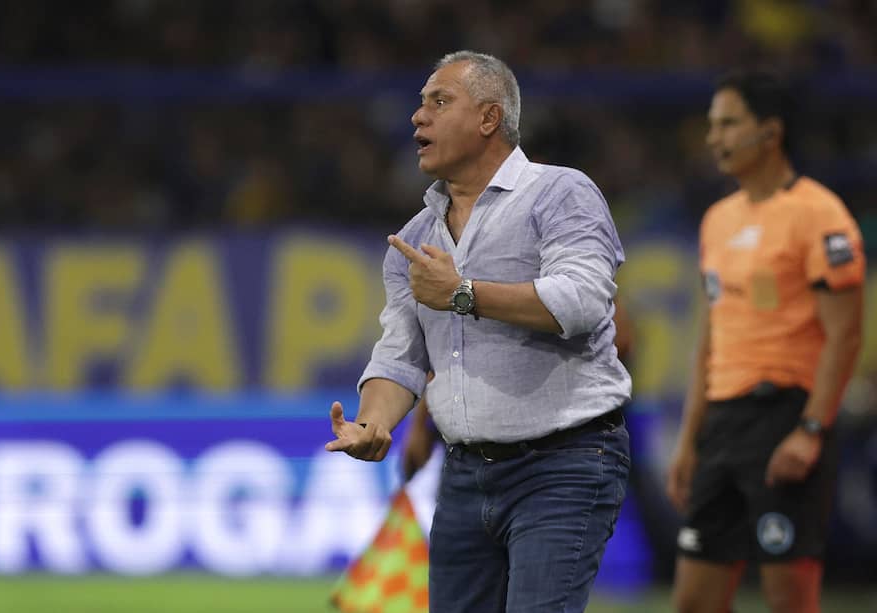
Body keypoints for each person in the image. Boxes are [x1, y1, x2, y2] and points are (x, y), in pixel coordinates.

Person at [324, 50, 631, 613]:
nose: (418, 117)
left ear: (490, 118)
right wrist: (372, 423)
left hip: (562, 464)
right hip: (465, 476)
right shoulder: (413, 241)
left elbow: (584, 299)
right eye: (420, 104)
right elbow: (399, 356)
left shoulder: (560, 192)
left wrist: (464, 294)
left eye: (439, 102)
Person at [665, 69, 865, 613]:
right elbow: (709, 337)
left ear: (770, 133)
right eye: (712, 125)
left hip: (785, 419)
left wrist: (811, 429)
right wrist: (689, 441)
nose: (714, 138)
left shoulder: (820, 215)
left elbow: (846, 333)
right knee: (694, 602)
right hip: (722, 427)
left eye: (728, 124)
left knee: (789, 600)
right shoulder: (717, 220)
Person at [401, 298, 634, 480]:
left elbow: (621, 338)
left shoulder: (560, 259)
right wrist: (420, 426)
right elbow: (450, 349)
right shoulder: (472, 269)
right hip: (474, 441)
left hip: (564, 439)